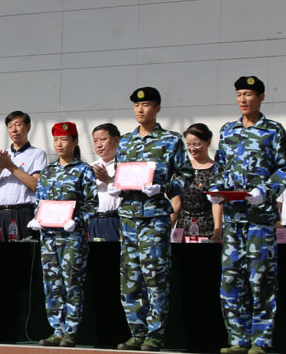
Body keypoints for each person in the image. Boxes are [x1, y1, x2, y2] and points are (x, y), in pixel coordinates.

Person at [112, 88, 193, 352]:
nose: (140, 110)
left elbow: (186, 175)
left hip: (155, 215)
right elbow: (121, 172)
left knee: (155, 275)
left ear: (157, 108)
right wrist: (115, 185)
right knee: (130, 277)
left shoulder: (171, 140)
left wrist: (164, 187)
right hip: (128, 216)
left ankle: (154, 335)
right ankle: (136, 332)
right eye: (137, 105)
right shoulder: (126, 141)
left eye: (146, 105)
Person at [209, 76, 286, 354]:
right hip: (233, 218)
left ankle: (260, 341)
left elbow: (283, 168)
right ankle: (237, 339)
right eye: (239, 94)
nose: (243, 100)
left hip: (259, 219)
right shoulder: (228, 130)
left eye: (249, 94)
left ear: (261, 97)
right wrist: (216, 189)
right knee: (231, 279)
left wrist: (265, 191)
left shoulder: (273, 130)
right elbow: (220, 167)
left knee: (261, 279)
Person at [29, 122, 97, 347]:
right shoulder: (48, 171)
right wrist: (37, 217)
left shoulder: (84, 170)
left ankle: (71, 330)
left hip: (72, 236)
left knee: (72, 282)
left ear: (75, 142)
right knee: (52, 283)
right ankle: (57, 329)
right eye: (56, 139)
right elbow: (40, 200)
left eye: (65, 139)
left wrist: (76, 221)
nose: (59, 144)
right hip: (49, 236)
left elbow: (92, 204)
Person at [0, 111, 48, 241]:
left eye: (18, 124)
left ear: (28, 127)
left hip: (23, 213)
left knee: (24, 252)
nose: (14, 130)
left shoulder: (37, 154)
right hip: (0, 213)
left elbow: (36, 185)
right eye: (10, 126)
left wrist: (10, 166)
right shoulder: (2, 155)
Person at [170, 123, 221, 241]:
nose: (192, 149)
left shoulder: (216, 170)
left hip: (208, 228)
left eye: (197, 144)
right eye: (189, 145)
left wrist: (218, 231)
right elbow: (176, 203)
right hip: (183, 228)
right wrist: (167, 228)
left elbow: (217, 203)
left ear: (208, 142)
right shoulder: (182, 169)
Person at [90, 123, 122, 242]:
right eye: (95, 141)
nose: (99, 145)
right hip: (94, 220)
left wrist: (108, 180)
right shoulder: (91, 167)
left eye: (103, 139)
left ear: (116, 140)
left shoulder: (124, 165)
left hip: (115, 219)